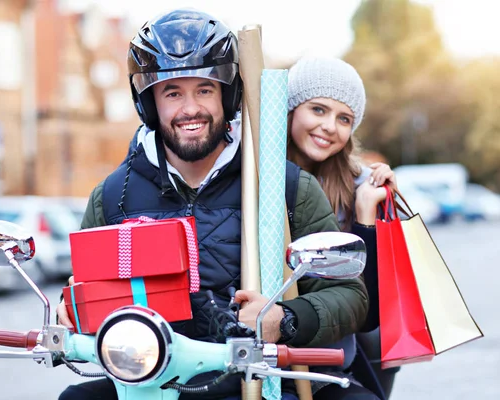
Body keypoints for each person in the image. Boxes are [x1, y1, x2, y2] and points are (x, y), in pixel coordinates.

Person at [56, 9, 369, 400]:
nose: (191, 109)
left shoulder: (285, 185)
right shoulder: (111, 197)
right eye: (173, 93)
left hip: (264, 380)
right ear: (150, 105)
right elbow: (89, 300)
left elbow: (350, 296)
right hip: (156, 383)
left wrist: (285, 319)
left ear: (228, 94)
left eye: (204, 89)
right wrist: (74, 311)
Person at [285, 57, 400, 400]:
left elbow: (367, 315)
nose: (330, 127)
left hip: (327, 365)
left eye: (344, 118)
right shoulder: (250, 173)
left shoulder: (357, 185)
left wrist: (368, 216)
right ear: (290, 110)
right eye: (318, 110)